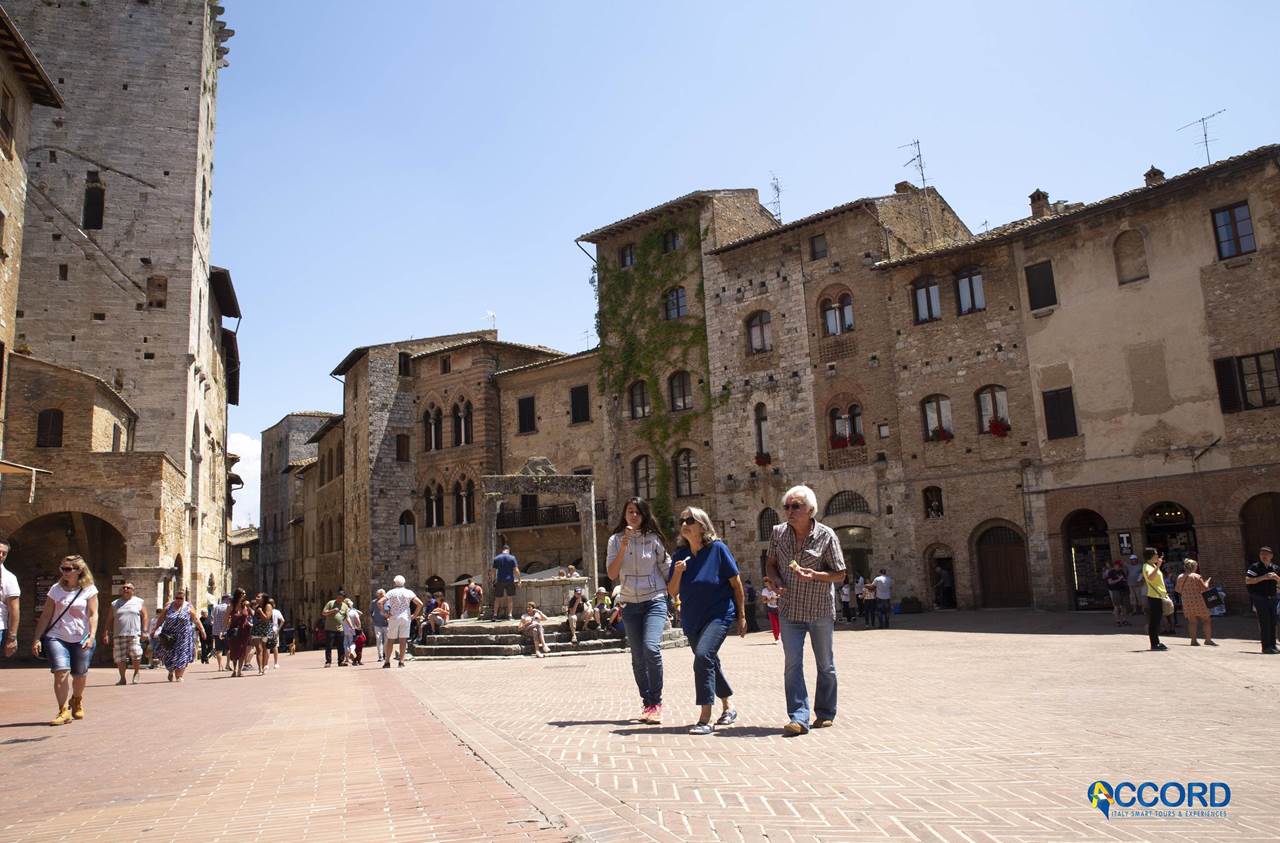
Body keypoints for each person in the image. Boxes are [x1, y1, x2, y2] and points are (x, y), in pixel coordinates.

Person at [766, 485, 845, 736]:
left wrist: (817, 575)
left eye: (795, 506)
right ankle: (798, 717)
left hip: (819, 609)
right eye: (787, 506)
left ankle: (825, 712)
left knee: (825, 665)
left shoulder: (826, 536)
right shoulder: (778, 533)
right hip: (789, 610)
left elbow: (840, 574)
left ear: (810, 510)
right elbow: (771, 564)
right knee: (792, 665)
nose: (789, 511)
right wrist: (775, 580)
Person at [669, 507, 745, 735]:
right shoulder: (679, 556)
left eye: (690, 520)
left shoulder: (718, 550)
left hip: (719, 615)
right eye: (682, 519)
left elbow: (736, 584)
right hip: (692, 619)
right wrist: (679, 572)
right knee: (709, 660)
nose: (684, 523)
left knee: (703, 656)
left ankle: (705, 718)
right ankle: (729, 706)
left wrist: (742, 616)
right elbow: (672, 591)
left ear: (702, 525)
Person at [606, 497, 672, 723]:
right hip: (629, 603)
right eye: (630, 512)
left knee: (651, 648)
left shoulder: (653, 539)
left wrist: (679, 586)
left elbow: (666, 567)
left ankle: (656, 701)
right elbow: (612, 574)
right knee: (637, 657)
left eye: (637, 512)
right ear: (624, 515)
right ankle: (647, 703)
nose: (633, 516)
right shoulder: (615, 540)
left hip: (655, 599)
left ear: (644, 515)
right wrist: (623, 546)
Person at [30, 555, 99, 726]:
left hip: (81, 637)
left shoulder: (89, 589)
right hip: (57, 636)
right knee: (60, 672)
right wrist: (37, 638)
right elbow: (46, 615)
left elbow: (93, 614)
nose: (64, 572)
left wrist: (91, 636)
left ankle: (76, 700)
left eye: (68, 569)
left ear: (79, 570)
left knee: (80, 675)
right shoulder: (56, 589)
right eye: (62, 568)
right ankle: (63, 710)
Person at [103, 580, 148, 685]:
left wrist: (144, 630)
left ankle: (136, 672)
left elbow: (145, 616)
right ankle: (122, 678)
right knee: (120, 657)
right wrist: (105, 633)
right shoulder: (115, 603)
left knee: (136, 653)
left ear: (133, 591)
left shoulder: (139, 601)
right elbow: (109, 619)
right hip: (119, 634)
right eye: (124, 588)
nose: (125, 589)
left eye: (128, 588)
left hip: (134, 633)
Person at [156, 587, 204, 681]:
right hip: (169, 636)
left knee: (182, 655)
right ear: (175, 597)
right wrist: (155, 629)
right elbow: (161, 618)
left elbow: (196, 620)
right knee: (169, 655)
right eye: (177, 598)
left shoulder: (189, 607)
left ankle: (179, 676)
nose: (178, 600)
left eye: (181, 598)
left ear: (184, 598)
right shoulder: (168, 606)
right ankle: (170, 671)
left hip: (184, 636)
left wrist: (202, 630)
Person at [379, 574, 423, 668]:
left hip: (394, 617)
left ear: (395, 583)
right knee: (403, 640)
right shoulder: (409, 592)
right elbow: (420, 603)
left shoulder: (391, 592)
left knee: (390, 640)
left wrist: (385, 613)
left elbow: (380, 602)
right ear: (404, 582)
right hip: (405, 617)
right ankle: (401, 662)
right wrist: (414, 615)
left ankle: (387, 661)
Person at [1245, 545, 1279, 655]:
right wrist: (1264, 577)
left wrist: (1276, 578)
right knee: (1265, 621)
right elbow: (1248, 581)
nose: (1264, 556)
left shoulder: (1275, 568)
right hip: (1259, 597)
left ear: (1271, 556)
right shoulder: (1254, 567)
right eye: (1261, 554)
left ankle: (1273, 645)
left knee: (1272, 621)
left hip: (1272, 597)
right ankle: (1266, 647)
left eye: (1266, 554)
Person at [1174, 559, 1216, 647]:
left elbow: (1178, 590)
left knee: (1192, 622)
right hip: (1199, 601)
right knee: (1206, 620)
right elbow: (1205, 588)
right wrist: (1207, 583)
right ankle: (1208, 640)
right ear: (1193, 567)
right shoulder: (1196, 576)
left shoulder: (1180, 577)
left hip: (1187, 602)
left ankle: (1193, 641)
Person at [1142, 547, 1168, 652]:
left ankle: (1156, 642)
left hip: (1159, 596)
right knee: (1154, 621)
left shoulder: (1152, 565)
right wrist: (1158, 566)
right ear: (1150, 556)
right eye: (1155, 554)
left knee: (1157, 620)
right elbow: (1150, 578)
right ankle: (1154, 643)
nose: (1157, 556)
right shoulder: (1146, 566)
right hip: (1153, 596)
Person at [322, 588, 351, 667]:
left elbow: (347, 617)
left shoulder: (345, 606)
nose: (339, 599)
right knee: (329, 646)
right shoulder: (330, 603)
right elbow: (324, 613)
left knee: (341, 646)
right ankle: (328, 662)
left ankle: (340, 661)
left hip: (340, 629)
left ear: (344, 599)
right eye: (338, 597)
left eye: (341, 598)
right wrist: (332, 611)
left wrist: (351, 626)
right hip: (329, 629)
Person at [0, 537, 19, 659]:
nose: (1, 555)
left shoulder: (9, 578)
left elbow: (14, 610)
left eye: (4, 553)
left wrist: (12, 637)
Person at [491, 544, 520, 621]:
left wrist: (493, 580)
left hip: (499, 580)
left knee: (497, 598)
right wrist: (519, 580)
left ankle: (494, 615)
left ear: (502, 550)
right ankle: (510, 616)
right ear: (508, 550)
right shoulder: (512, 558)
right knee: (510, 598)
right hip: (509, 580)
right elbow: (516, 570)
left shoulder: (496, 558)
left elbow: (493, 571)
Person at [227, 588, 252, 677]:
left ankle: (239, 670)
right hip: (234, 630)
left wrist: (248, 607)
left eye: (244, 594)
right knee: (234, 650)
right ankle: (234, 669)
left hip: (244, 631)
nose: (244, 595)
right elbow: (226, 619)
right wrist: (224, 630)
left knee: (243, 650)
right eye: (243, 594)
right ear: (238, 595)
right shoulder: (231, 606)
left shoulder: (245, 606)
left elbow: (251, 614)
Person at [250, 593, 272, 676]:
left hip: (265, 630)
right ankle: (260, 669)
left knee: (265, 649)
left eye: (258, 597)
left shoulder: (268, 606)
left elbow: (266, 618)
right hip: (256, 630)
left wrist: (260, 611)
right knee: (259, 650)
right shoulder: (256, 607)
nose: (256, 598)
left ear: (263, 598)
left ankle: (264, 665)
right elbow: (255, 618)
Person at [1103, 560, 1131, 627]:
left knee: (1124, 606)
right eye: (1119, 565)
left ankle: (1124, 620)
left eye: (1121, 565)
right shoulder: (1111, 572)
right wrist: (1119, 579)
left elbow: (1125, 579)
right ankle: (1117, 621)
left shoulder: (1121, 571)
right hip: (1115, 590)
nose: (1120, 567)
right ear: (1115, 565)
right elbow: (1110, 582)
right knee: (1117, 606)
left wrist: (1124, 581)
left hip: (1123, 590)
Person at [369, 589, 388, 664]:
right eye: (381, 595)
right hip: (377, 624)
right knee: (378, 640)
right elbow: (371, 611)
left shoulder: (388, 601)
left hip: (387, 624)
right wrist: (373, 619)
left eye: (383, 595)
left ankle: (385, 653)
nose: (383, 596)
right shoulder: (374, 602)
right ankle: (380, 656)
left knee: (386, 640)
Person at [761, 576, 781, 643]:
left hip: (779, 608)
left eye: (767, 583)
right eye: (765, 584)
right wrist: (770, 600)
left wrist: (776, 597)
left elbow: (781, 595)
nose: (766, 585)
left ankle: (782, 636)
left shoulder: (775, 588)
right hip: (770, 608)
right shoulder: (764, 590)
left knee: (780, 623)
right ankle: (776, 638)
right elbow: (763, 601)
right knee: (774, 624)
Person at [268, 600, 284, 668]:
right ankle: (276, 663)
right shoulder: (277, 611)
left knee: (267, 647)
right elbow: (283, 620)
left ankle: (266, 664)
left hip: (267, 629)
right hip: (275, 629)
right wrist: (278, 629)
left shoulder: (266, 610)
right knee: (275, 647)